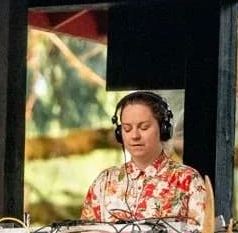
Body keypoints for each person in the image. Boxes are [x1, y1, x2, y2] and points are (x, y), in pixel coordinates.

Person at [81, 91, 206, 225]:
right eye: (127, 128)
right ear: (119, 133)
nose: (134, 135)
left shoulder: (188, 180)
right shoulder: (104, 182)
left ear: (163, 129)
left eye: (144, 127)